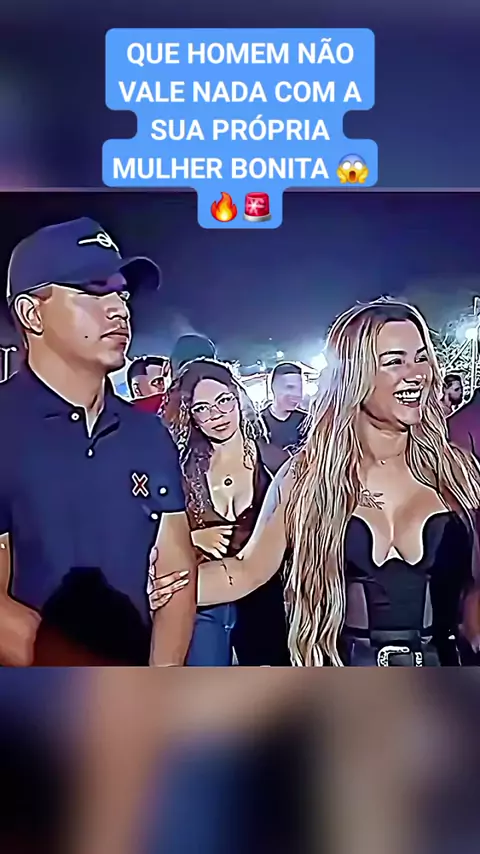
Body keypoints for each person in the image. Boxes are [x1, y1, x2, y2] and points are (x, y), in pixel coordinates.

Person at [149, 299, 480, 666]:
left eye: (421, 358)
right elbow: (244, 571)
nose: (415, 374)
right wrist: (163, 587)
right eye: (394, 361)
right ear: (354, 375)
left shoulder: (458, 472)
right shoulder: (307, 476)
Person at [0, 216, 197, 666]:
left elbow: (177, 574)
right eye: (93, 291)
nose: (120, 310)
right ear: (32, 313)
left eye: (122, 295)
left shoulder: (149, 434)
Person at [164, 358, 290, 665]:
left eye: (223, 401)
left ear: (238, 398)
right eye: (202, 408)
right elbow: (150, 534)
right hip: (204, 603)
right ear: (191, 416)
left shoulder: (276, 463)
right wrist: (191, 539)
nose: (216, 414)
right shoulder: (179, 470)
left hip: (266, 599)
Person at [261, 363, 307, 454]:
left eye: (299, 389)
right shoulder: (259, 423)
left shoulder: (307, 421)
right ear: (274, 388)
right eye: (290, 387)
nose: (297, 394)